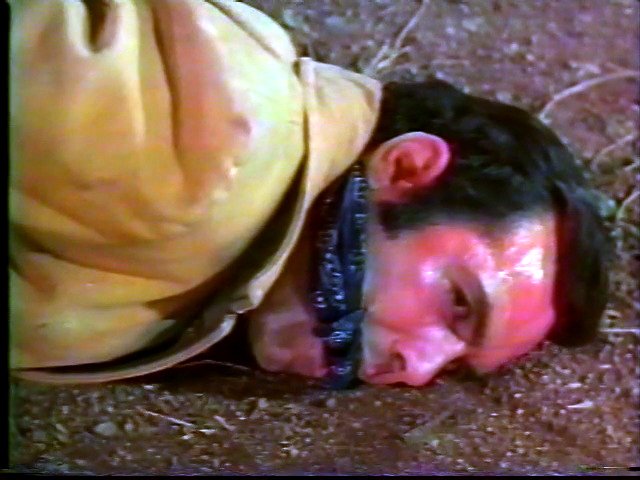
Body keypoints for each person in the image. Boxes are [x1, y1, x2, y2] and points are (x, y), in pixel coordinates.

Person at [9, 0, 610, 386]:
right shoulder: (197, 155)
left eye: (453, 365)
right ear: (404, 168)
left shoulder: (249, 214)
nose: (416, 370)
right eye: (458, 303)